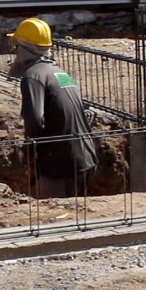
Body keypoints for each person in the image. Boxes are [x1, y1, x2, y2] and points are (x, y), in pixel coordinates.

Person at [8, 17, 98, 199]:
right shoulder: (60, 73)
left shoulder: (33, 76)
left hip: (59, 167)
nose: (14, 51)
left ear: (26, 49)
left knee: (55, 221)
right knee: (77, 218)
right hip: (86, 159)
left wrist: (30, 152)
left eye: (17, 45)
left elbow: (34, 118)